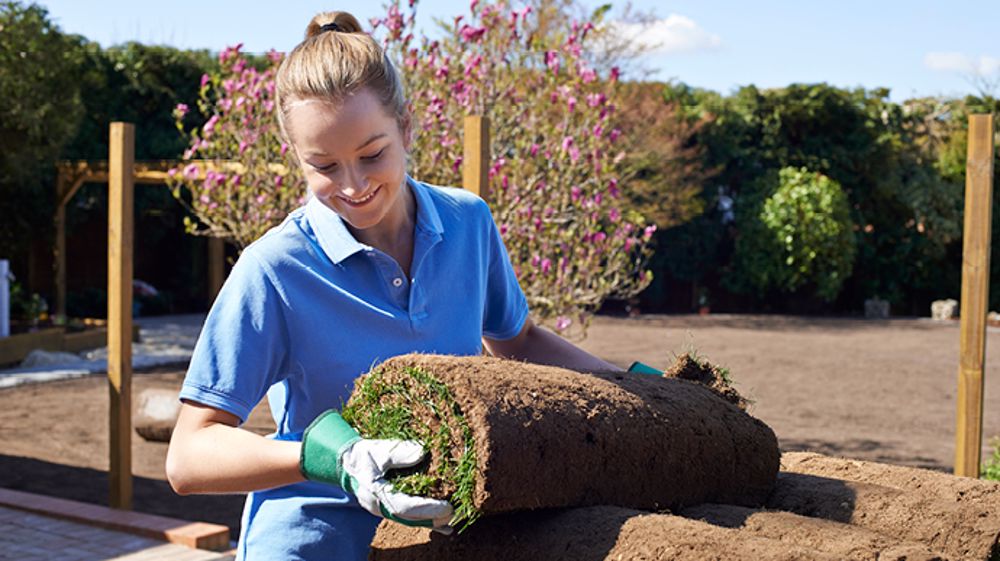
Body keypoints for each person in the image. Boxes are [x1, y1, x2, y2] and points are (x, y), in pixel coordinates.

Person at [165, 10, 621, 561]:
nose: (353, 185)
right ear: (296, 157)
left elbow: (519, 343)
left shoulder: (468, 224)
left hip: (444, 536)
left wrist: (636, 388)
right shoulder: (275, 269)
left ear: (406, 126)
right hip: (314, 541)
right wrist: (330, 459)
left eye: (373, 154)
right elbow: (188, 457)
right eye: (324, 165)